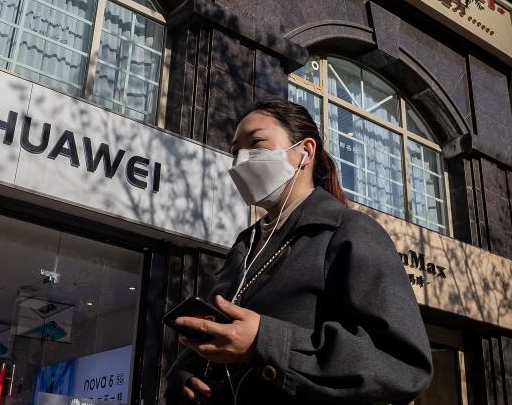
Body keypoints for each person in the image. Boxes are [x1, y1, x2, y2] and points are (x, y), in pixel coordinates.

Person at [165, 99, 432, 404]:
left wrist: (265, 342)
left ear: (305, 151)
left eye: (256, 143)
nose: (240, 160)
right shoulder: (245, 247)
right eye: (235, 150)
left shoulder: (349, 232)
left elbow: (403, 364)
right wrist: (185, 374)